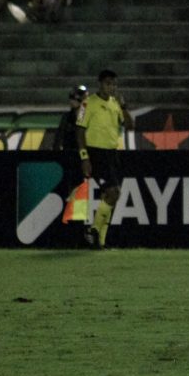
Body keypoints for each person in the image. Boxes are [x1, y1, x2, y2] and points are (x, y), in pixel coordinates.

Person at [75, 69, 134, 249]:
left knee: (109, 196)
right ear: (100, 84)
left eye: (114, 84)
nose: (111, 87)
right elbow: (79, 130)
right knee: (114, 192)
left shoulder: (115, 104)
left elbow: (130, 126)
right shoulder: (87, 103)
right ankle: (92, 230)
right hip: (96, 153)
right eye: (108, 83)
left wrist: (123, 107)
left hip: (112, 153)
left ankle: (99, 241)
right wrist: (84, 157)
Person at [54, 85, 87, 152]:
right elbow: (59, 136)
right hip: (69, 153)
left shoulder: (86, 116)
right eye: (71, 98)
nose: (72, 101)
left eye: (75, 98)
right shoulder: (67, 117)